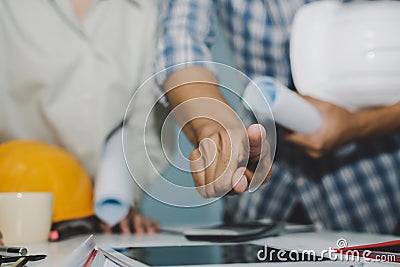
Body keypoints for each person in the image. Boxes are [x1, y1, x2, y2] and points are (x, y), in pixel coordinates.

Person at [155, 0, 400, 234]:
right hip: (260, 190)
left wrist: (359, 125)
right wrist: (214, 128)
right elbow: (180, 44)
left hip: (371, 183)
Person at [0, 0, 164, 234]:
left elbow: (147, 122)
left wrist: (123, 197)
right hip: (12, 208)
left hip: (105, 220)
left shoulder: (147, 9)